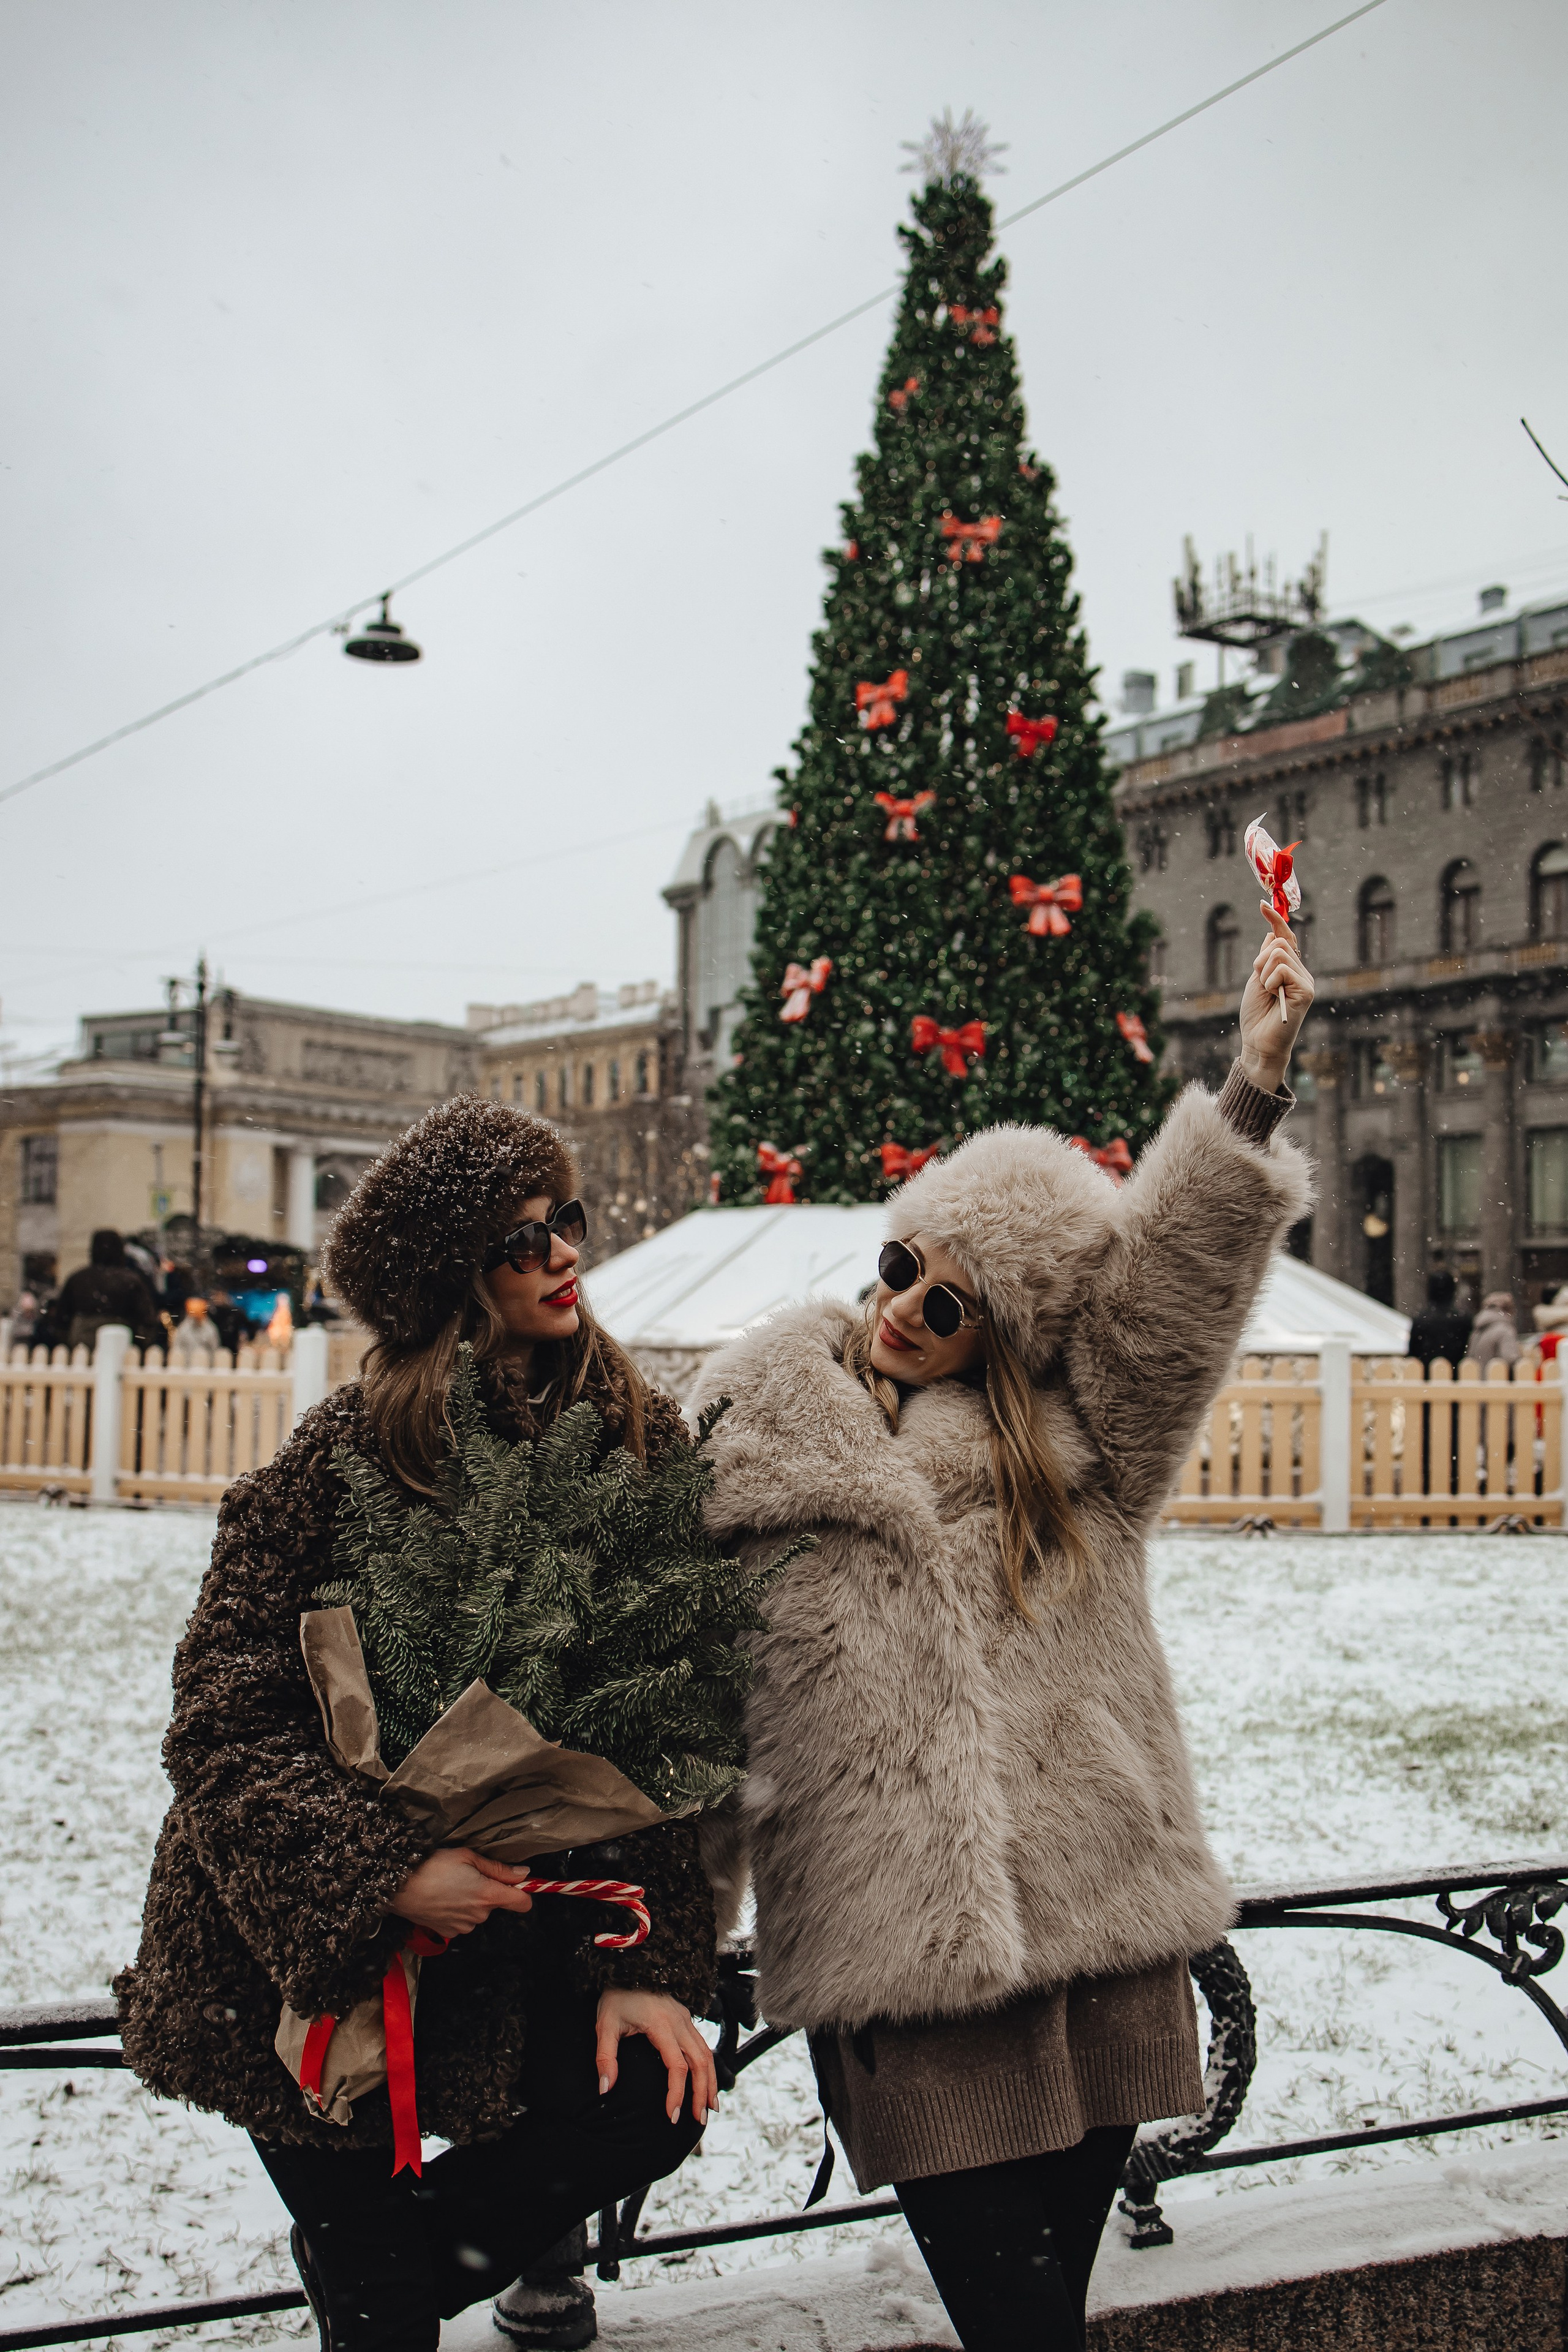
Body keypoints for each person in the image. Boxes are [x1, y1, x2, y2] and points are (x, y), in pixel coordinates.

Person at [693, 905, 1314, 2352]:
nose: (906, 1305)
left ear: (1008, 1320)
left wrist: (1250, 1086)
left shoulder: (1079, 1447)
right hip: (904, 1962)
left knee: (1035, 2319)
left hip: (1099, 1938)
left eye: (952, 1298)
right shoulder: (749, 1446)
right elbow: (690, 1710)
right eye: (901, 1263)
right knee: (1016, 2316)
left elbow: (1172, 1288)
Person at [116, 1099, 720, 2352]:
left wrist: (642, 1971)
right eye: (518, 1241)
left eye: (564, 1221)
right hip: (290, 1955)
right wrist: (390, 1877)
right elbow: (222, 1724)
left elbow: (653, 1728)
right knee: (386, 2320)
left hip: (516, 1947)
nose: (561, 1255)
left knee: (651, 2097)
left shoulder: (634, 1448)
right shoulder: (335, 1464)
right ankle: (378, 2272)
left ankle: (378, 2263)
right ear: (453, 1282)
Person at [52, 1229, 163, 1353]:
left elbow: (61, 1319)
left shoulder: (78, 1279)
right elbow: (147, 1320)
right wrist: (139, 1344)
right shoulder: (131, 1281)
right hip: (121, 1345)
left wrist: (68, 1342)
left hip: (82, 1346)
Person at [1408, 1268, 1472, 1371]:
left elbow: (1413, 1354)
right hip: (1457, 1378)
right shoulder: (1463, 1320)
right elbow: (1468, 1352)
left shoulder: (1421, 1320)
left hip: (1425, 1379)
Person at [1467, 1292, 1521, 1370]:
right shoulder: (1505, 1330)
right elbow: (1511, 1358)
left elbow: (1470, 1356)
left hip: (1477, 1379)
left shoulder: (1479, 1329)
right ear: (1508, 1309)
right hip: (1497, 1379)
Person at [168, 1295, 220, 1366]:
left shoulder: (210, 1330)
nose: (195, 1318)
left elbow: (215, 1350)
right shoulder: (183, 1329)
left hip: (206, 1368)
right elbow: (176, 1348)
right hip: (185, 1368)